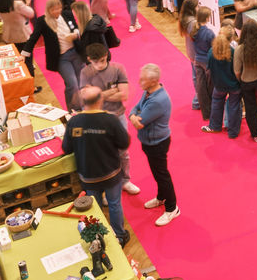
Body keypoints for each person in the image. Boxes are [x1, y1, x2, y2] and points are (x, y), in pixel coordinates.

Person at [63, 86, 132, 243]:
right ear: (101, 100)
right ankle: (120, 236)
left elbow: (66, 148)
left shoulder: (74, 121)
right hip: (111, 173)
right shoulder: (111, 120)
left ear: (83, 102)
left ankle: (99, 238)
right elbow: (124, 143)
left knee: (95, 207)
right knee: (114, 204)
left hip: (88, 176)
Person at [80, 44, 139, 195]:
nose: (100, 65)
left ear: (106, 55)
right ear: (89, 59)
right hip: (97, 119)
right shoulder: (85, 73)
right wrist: (112, 92)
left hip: (118, 116)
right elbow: (86, 98)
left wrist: (98, 94)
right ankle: (106, 188)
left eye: (102, 60)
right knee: (103, 154)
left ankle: (125, 180)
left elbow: (123, 95)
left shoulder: (118, 69)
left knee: (123, 152)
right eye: (96, 62)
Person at [130, 64, 180, 226]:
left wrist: (134, 117)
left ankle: (172, 208)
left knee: (161, 175)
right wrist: (133, 116)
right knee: (157, 173)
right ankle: (161, 197)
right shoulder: (148, 92)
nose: (139, 82)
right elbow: (135, 109)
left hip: (157, 144)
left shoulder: (157, 101)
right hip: (150, 141)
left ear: (153, 81)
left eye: (143, 79)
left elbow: (140, 122)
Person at [23, 0, 83, 110]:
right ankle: (73, 110)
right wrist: (24, 54)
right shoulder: (43, 21)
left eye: (59, 8)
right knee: (72, 84)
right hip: (61, 58)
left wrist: (76, 34)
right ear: (48, 10)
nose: (57, 11)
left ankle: (81, 107)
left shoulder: (67, 14)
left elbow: (75, 27)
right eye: (54, 9)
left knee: (80, 83)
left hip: (76, 53)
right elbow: (33, 38)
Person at [203, 32, 243, 138]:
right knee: (234, 106)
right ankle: (233, 132)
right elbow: (237, 69)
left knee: (216, 103)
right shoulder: (233, 52)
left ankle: (215, 126)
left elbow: (208, 68)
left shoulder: (211, 52)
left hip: (219, 85)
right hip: (234, 85)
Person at [0, 0, 36, 77]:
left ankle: (18, 78)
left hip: (8, 35)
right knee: (27, 61)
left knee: (14, 60)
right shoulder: (17, 4)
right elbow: (31, 14)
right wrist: (26, 4)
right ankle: (30, 82)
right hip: (22, 36)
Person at [191, 7, 216, 123]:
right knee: (210, 87)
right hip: (207, 62)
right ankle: (212, 110)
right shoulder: (209, 33)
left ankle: (206, 113)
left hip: (197, 60)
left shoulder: (194, 31)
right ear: (207, 18)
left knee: (201, 86)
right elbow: (214, 48)